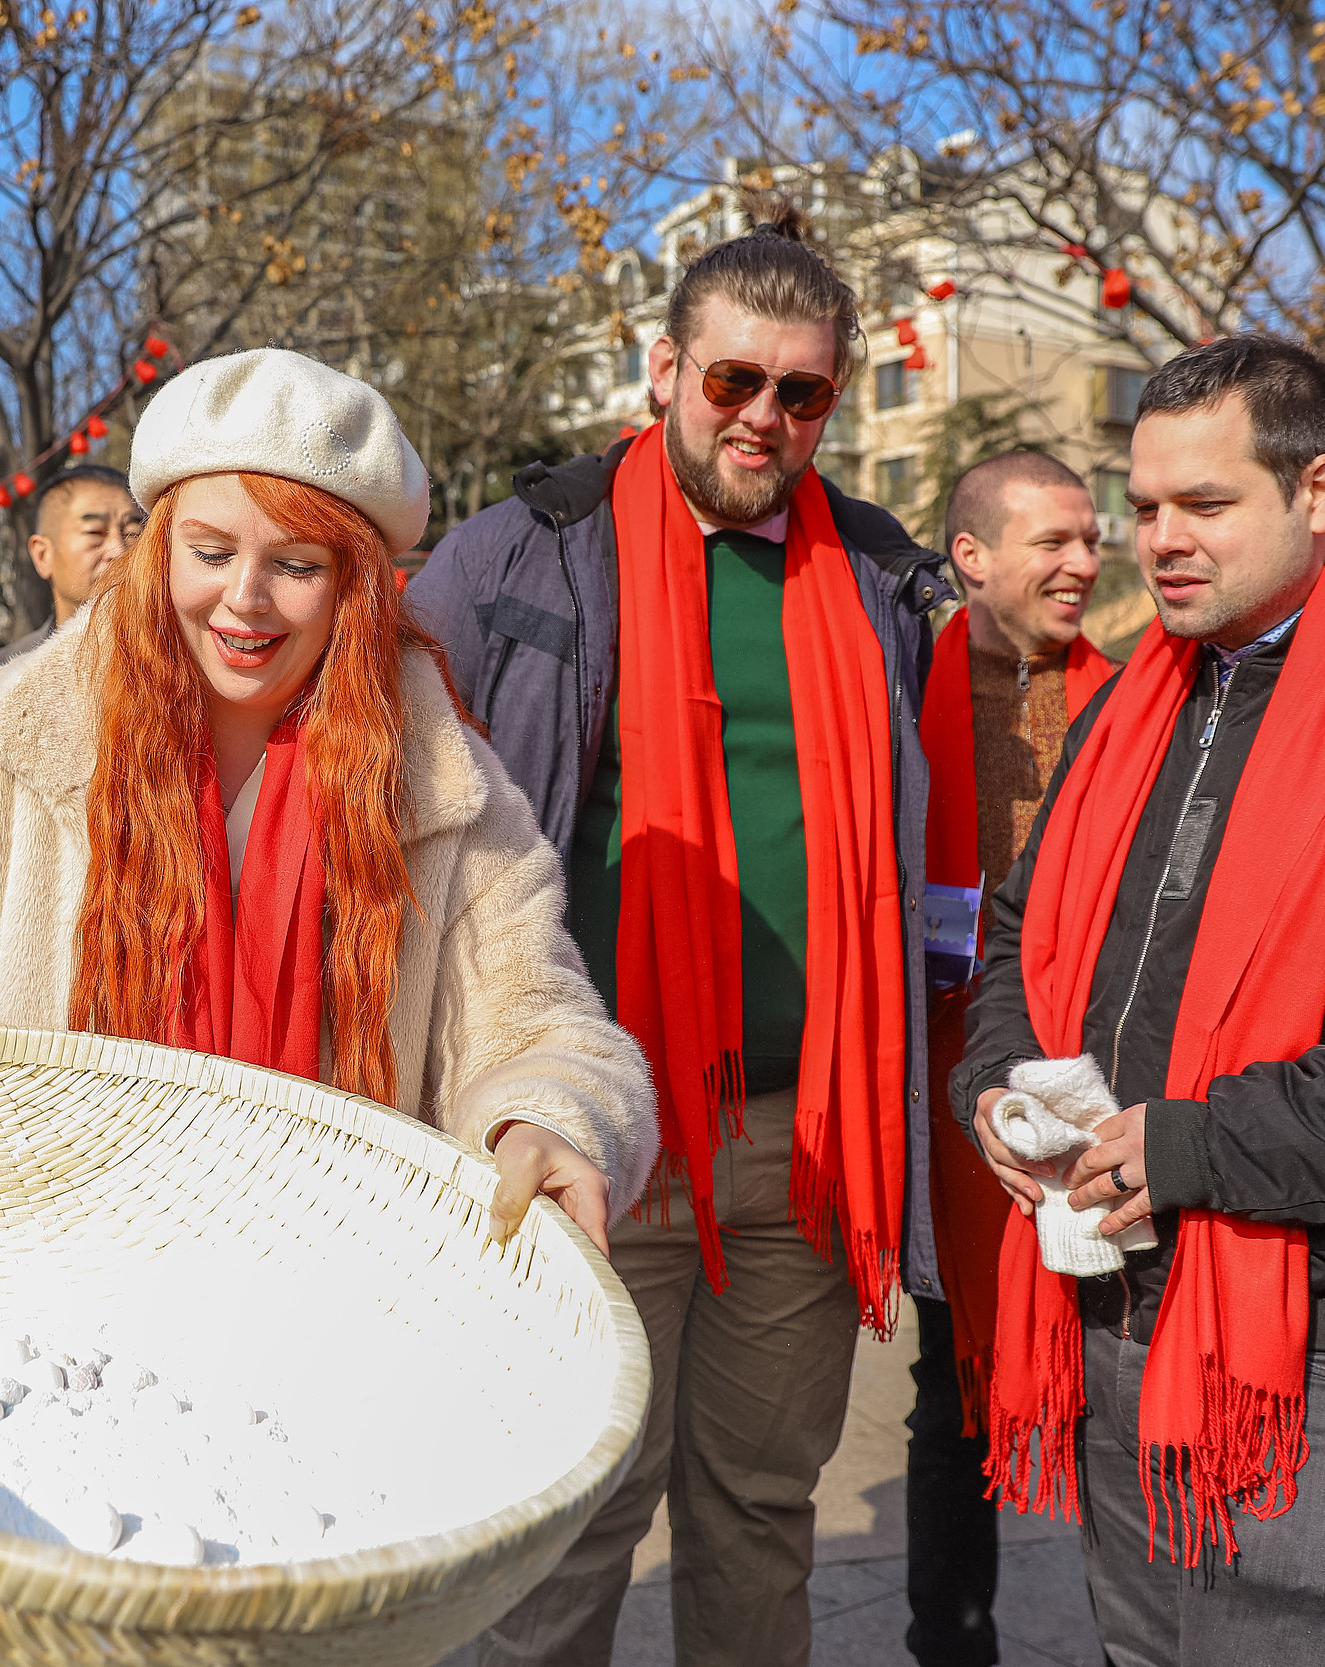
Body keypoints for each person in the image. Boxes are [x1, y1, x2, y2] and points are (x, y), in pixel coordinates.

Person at [0, 347, 657, 1274]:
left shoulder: (446, 787)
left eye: (297, 564)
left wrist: (546, 1115)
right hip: (52, 1268)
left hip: (327, 1284)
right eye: (210, 550)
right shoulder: (14, 729)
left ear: (357, 588)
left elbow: (539, 1025)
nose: (245, 600)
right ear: (159, 553)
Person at [409, 213, 950, 1667]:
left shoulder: (884, 576)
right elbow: (375, 786)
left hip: (806, 1136)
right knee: (567, 1511)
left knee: (763, 1507)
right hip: (593, 1127)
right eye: (733, 381)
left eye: (803, 392)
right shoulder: (522, 551)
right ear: (665, 369)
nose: (765, 417)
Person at [958, 336, 1325, 1665]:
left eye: (1204, 505)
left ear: (1320, 491)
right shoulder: (1129, 698)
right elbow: (1018, 938)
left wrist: (1196, 1143)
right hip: (1112, 1299)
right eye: (1145, 504)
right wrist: (995, 1085)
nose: (1158, 538)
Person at [909, 451, 1108, 1667]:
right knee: (950, 1393)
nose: (1085, 561)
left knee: (1111, 1386)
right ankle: (951, 1643)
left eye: (1091, 538)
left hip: (1091, 1079)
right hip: (947, 1086)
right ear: (972, 559)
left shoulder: (1137, 701)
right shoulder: (890, 700)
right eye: (1053, 541)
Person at [0, 464, 146, 711]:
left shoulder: (181, 666)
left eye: (132, 533)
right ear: (43, 555)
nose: (119, 550)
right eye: (95, 532)